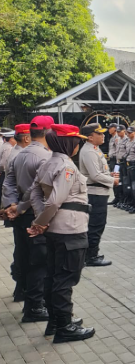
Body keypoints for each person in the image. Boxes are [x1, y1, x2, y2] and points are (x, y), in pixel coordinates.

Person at [26, 124, 95, 343]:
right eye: (76, 142)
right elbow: (55, 199)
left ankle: (56, 321)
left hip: (56, 230)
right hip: (70, 230)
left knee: (53, 276)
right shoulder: (66, 166)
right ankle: (64, 327)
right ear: (68, 143)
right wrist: (40, 222)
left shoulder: (48, 162)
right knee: (65, 279)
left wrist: (41, 220)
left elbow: (34, 193)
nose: (77, 145)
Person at [5, 116, 54, 323]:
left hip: (20, 215)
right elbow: (36, 189)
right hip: (35, 214)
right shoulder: (45, 157)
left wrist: (11, 206)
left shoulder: (20, 154)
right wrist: (22, 206)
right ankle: (34, 306)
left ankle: (24, 294)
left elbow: (8, 182)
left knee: (24, 255)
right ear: (47, 132)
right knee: (40, 262)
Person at [79, 123, 117, 267]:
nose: (103, 136)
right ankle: (91, 256)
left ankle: (91, 254)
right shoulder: (89, 151)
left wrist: (109, 174)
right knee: (96, 225)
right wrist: (113, 180)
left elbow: (99, 171)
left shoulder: (95, 149)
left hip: (100, 192)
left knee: (98, 224)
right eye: (99, 134)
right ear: (90, 137)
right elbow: (95, 175)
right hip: (95, 193)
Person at [3, 124, 32, 303]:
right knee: (26, 253)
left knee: (21, 251)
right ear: (27, 138)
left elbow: (8, 185)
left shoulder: (15, 153)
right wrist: (16, 207)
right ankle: (23, 287)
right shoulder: (21, 155)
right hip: (24, 209)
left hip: (18, 207)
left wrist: (10, 206)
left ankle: (20, 287)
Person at [114, 125, 129, 209]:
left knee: (124, 181)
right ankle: (119, 199)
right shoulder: (118, 140)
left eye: (120, 131)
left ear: (124, 131)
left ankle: (125, 200)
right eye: (117, 131)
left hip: (123, 163)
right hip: (117, 163)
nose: (118, 133)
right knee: (117, 181)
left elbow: (127, 152)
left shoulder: (127, 140)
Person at [107, 124, 120, 205]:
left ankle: (119, 198)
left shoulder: (117, 138)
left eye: (110, 128)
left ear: (115, 129)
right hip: (112, 160)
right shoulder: (112, 138)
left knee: (116, 177)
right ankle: (116, 197)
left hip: (116, 161)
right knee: (113, 177)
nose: (109, 130)